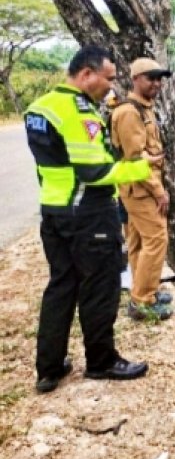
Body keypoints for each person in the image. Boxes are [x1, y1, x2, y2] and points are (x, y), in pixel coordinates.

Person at [24, 45, 160, 393]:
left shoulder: (39, 108)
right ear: (86, 73)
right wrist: (144, 166)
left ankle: (49, 367)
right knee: (100, 287)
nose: (112, 87)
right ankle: (101, 361)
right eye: (108, 78)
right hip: (88, 213)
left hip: (54, 211)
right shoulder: (77, 112)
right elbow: (93, 170)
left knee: (61, 286)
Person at [111, 58, 173, 321]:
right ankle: (142, 301)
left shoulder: (143, 108)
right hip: (141, 187)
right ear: (135, 78)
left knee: (137, 241)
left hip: (140, 185)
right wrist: (158, 191)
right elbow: (135, 158)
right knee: (157, 239)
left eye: (159, 79)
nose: (156, 84)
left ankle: (144, 289)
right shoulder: (128, 112)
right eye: (150, 78)